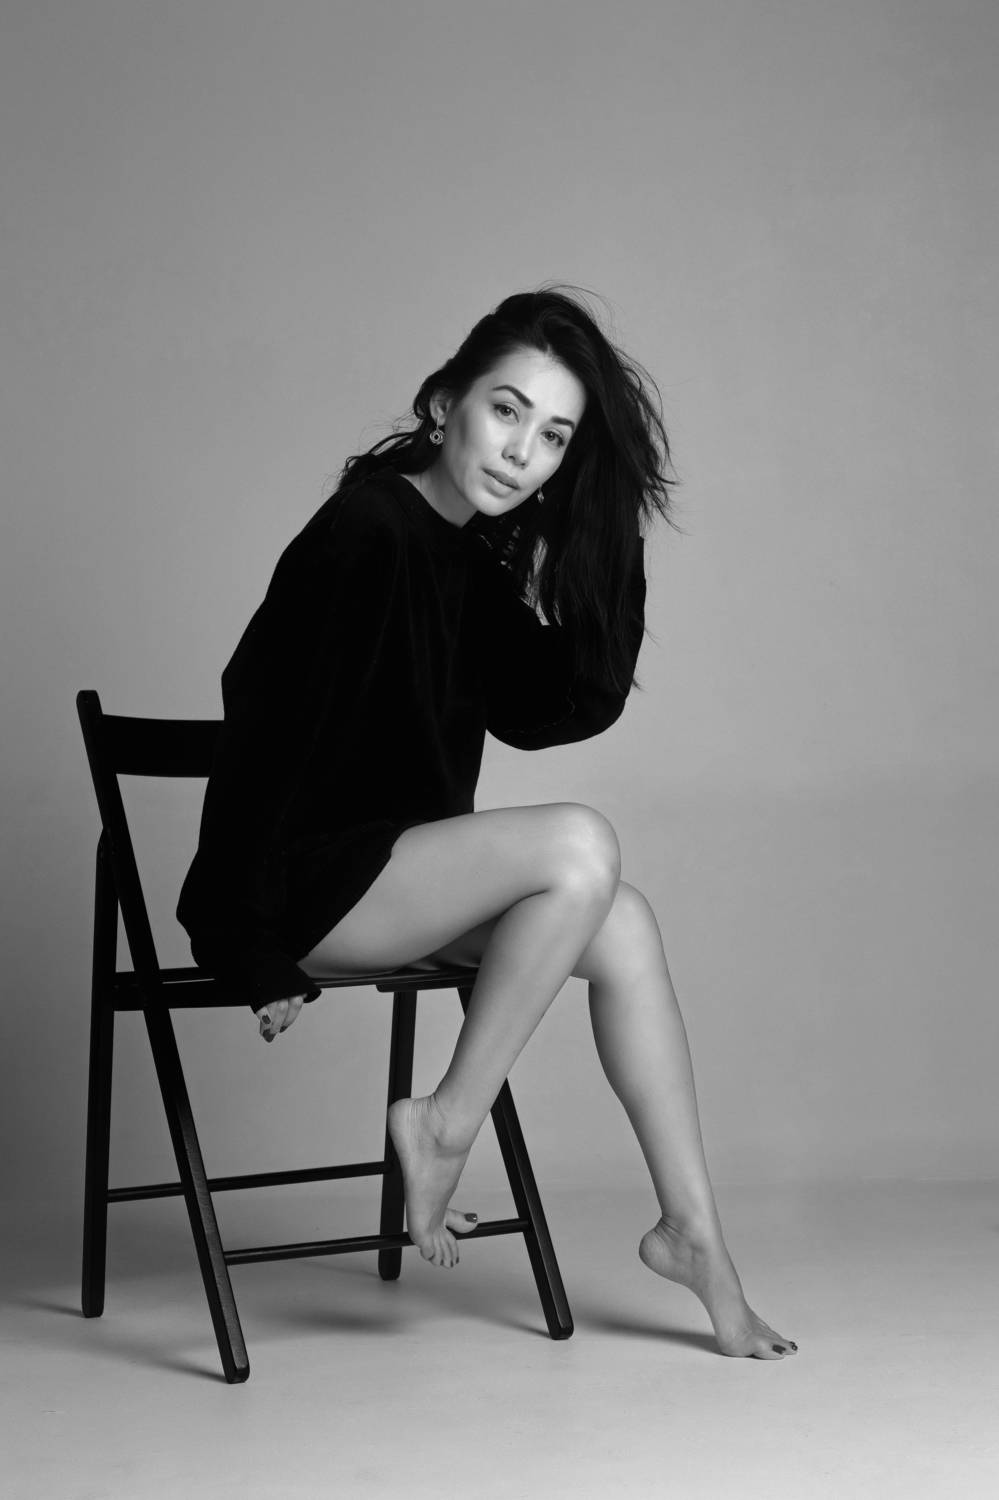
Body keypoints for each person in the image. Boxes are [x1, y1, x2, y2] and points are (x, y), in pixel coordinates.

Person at [177, 286, 797, 1360]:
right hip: (306, 885)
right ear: (445, 401)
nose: (520, 453)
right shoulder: (367, 529)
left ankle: (692, 1235)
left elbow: (558, 708)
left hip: (393, 880)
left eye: (553, 437)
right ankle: (444, 1122)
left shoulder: (464, 561)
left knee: (624, 925)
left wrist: (610, 532)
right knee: (580, 843)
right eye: (506, 411)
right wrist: (246, 941)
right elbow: (261, 719)